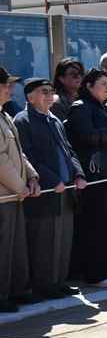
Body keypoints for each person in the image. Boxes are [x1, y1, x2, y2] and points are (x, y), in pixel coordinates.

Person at [14, 77, 87, 299]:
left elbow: (68, 151)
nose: (49, 95)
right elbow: (28, 156)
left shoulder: (53, 119)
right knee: (44, 241)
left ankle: (59, 281)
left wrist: (78, 173)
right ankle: (43, 285)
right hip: (46, 192)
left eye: (50, 91)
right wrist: (51, 179)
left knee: (63, 239)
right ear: (30, 97)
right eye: (43, 92)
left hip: (66, 190)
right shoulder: (23, 121)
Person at [66, 68, 107, 288]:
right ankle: (97, 273)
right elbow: (88, 137)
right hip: (97, 178)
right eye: (102, 84)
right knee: (98, 225)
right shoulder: (80, 109)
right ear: (89, 86)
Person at [0, 66, 39, 311]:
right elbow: (0, 160)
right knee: (3, 249)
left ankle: (16, 290)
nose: (10, 89)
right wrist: (20, 184)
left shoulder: (4, 116)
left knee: (15, 248)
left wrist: (32, 176)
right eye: (5, 85)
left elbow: (18, 153)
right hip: (4, 195)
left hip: (14, 194)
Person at [50, 57, 84, 122]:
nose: (79, 77)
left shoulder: (85, 99)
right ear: (61, 79)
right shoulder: (56, 103)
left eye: (81, 73)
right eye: (73, 74)